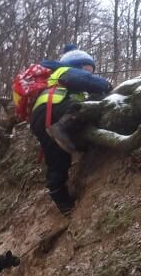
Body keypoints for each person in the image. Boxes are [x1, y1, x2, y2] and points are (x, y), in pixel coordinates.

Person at [31, 44, 111, 214]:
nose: (89, 73)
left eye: (91, 70)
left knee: (57, 159)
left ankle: (62, 201)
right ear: (75, 65)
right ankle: (64, 127)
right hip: (54, 108)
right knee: (87, 105)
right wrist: (106, 85)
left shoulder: (55, 78)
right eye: (86, 69)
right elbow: (87, 81)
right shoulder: (64, 70)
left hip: (41, 118)